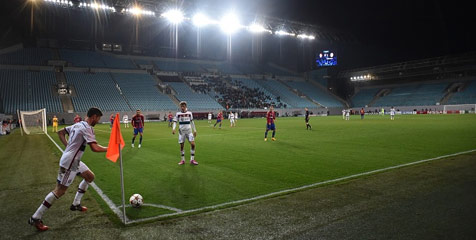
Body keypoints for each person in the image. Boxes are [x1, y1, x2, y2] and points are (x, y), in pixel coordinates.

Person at [29, 107, 107, 232]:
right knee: (60, 190)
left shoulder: (77, 124)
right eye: (98, 118)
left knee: (90, 177)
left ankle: (76, 204)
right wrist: (111, 148)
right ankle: (36, 217)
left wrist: (68, 147)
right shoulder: (87, 128)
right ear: (94, 117)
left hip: (73, 160)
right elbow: (95, 148)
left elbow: (60, 132)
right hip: (70, 163)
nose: (97, 121)